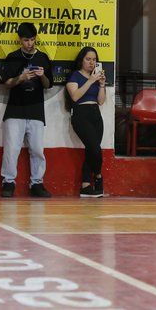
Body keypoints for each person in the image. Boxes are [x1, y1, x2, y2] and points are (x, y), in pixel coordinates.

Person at [0, 22, 53, 198]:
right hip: (15, 109)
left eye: (32, 39)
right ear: (20, 40)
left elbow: (48, 85)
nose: (29, 43)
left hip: (36, 110)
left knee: (37, 149)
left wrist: (42, 76)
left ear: (35, 38)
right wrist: (20, 78)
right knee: (11, 149)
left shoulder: (43, 58)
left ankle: (37, 184)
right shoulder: (12, 57)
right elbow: (6, 83)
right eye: (25, 40)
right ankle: (8, 182)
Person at [65, 47, 106, 198]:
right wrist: (91, 80)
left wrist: (101, 84)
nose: (91, 62)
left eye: (94, 60)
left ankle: (86, 185)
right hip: (81, 114)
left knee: (92, 150)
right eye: (88, 59)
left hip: (96, 114)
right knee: (95, 149)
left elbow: (101, 101)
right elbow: (75, 96)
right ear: (81, 60)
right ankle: (98, 176)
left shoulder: (96, 77)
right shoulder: (75, 76)